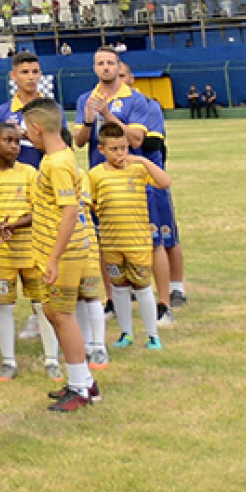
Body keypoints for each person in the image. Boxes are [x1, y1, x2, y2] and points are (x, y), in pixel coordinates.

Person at [20, 99, 102, 412]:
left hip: (63, 252)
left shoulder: (55, 164)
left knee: (63, 316)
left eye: (28, 128)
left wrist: (53, 258)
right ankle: (81, 380)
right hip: (56, 249)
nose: (27, 134)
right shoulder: (62, 156)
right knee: (55, 314)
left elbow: (70, 211)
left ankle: (82, 386)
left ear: (38, 128)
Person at [0, 123, 56, 381]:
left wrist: (15, 224)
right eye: (7, 140)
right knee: (3, 305)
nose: (14, 146)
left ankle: (52, 359)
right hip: (1, 255)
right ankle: (9, 361)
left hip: (31, 252)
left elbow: (41, 210)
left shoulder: (29, 173)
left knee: (41, 304)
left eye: (17, 141)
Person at [88, 123, 171, 352]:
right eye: (114, 149)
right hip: (111, 242)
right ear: (102, 149)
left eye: (123, 148)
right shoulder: (95, 175)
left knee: (143, 286)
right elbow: (90, 202)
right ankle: (126, 332)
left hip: (138, 241)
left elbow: (165, 182)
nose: (120, 154)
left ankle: (152, 333)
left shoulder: (138, 170)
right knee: (119, 287)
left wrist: (143, 161)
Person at [0, 52, 47, 169]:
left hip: (45, 176)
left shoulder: (52, 109)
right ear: (13, 75)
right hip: (14, 180)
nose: (31, 77)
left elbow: (61, 150)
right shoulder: (3, 112)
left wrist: (27, 136)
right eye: (25, 72)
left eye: (35, 72)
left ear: (40, 75)